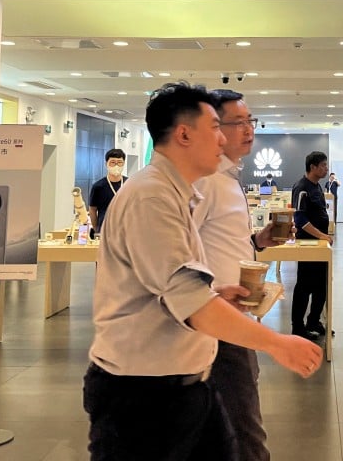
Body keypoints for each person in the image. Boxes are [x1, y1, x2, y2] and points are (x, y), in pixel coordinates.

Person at [84, 82, 323, 461]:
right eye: (215, 127)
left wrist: (215, 293)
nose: (225, 138)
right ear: (183, 134)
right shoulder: (152, 197)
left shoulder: (181, 192)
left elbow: (177, 280)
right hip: (143, 392)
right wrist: (279, 344)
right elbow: (189, 299)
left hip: (184, 381)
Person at [193, 89, 277, 461]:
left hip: (233, 313)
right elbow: (181, 252)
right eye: (237, 122)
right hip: (217, 318)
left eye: (251, 121)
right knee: (245, 431)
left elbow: (219, 241)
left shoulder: (228, 179)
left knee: (232, 424)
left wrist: (258, 240)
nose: (248, 130)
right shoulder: (206, 181)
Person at [290, 151, 334, 339]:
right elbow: (300, 219)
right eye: (323, 165)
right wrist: (321, 235)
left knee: (321, 285)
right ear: (313, 167)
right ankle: (298, 327)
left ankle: (314, 320)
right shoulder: (301, 188)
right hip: (308, 244)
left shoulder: (318, 187)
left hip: (320, 245)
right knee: (304, 285)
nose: (326, 168)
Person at [87, 148, 127, 233]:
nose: (116, 166)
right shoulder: (98, 186)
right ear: (106, 164)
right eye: (112, 162)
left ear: (123, 164)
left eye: (120, 162)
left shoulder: (130, 184)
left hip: (126, 230)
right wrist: (96, 229)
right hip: (105, 230)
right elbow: (92, 210)